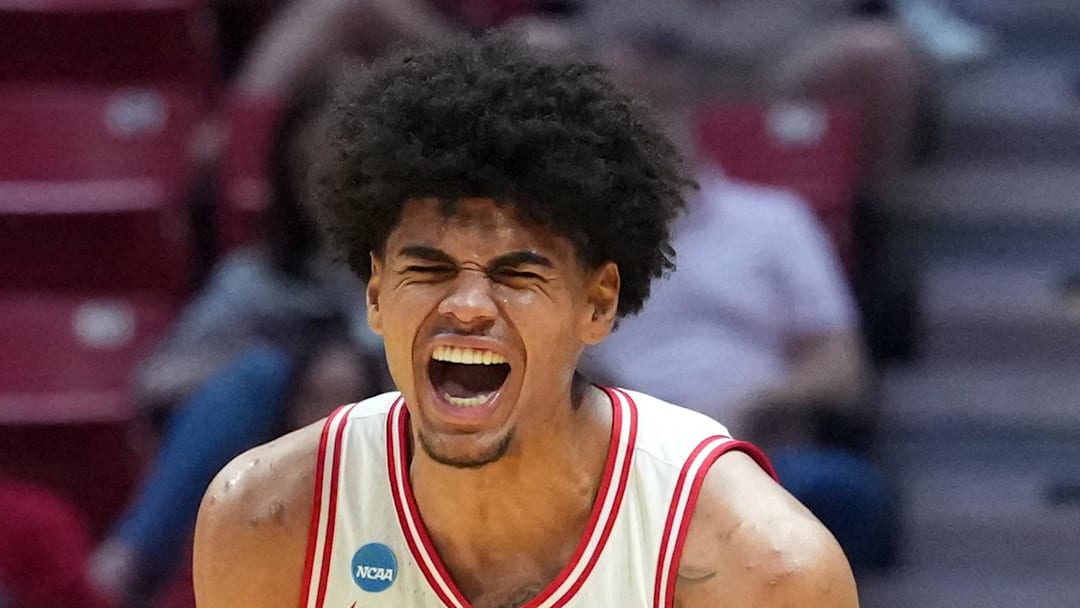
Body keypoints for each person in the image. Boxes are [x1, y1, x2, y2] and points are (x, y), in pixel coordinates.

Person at [193, 34, 858, 608]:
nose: (468, 307)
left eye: (518, 275)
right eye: (427, 270)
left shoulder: (758, 561)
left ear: (597, 305)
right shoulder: (268, 518)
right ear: (374, 294)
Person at [89, 78, 382, 607]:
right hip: (276, 463)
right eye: (309, 171)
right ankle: (129, 562)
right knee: (258, 372)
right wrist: (290, 360)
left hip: (399, 451)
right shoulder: (258, 281)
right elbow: (159, 380)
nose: (328, 189)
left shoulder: (433, 275)